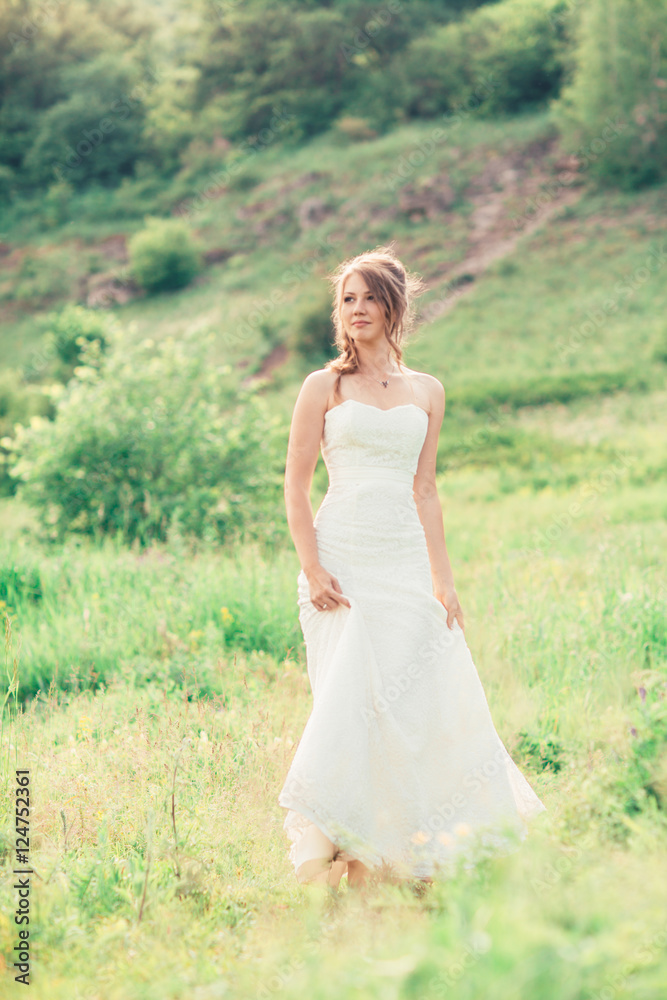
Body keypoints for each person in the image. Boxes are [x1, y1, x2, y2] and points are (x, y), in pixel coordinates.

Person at [278, 244, 546, 894]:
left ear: (394, 305)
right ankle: (346, 853)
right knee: (350, 703)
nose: (357, 309)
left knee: (420, 699)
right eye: (347, 298)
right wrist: (312, 567)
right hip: (341, 563)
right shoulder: (324, 386)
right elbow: (294, 484)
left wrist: (442, 579)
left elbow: (425, 489)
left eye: (369, 296)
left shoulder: (427, 390)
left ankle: (415, 853)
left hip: (403, 564)